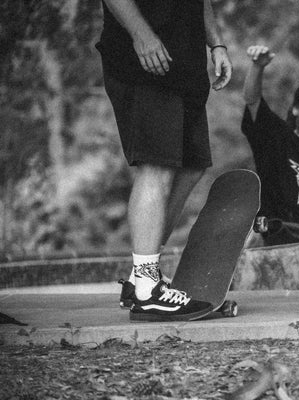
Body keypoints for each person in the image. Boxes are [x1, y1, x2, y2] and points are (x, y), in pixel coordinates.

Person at [96, 0, 233, 321]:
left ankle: (139, 280)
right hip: (143, 60)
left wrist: (217, 44)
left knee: (191, 166)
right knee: (156, 166)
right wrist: (141, 34)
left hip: (184, 62)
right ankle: (147, 289)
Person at [241, 45, 299, 246]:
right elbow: (252, 100)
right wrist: (257, 67)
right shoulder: (277, 138)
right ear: (295, 110)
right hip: (271, 237)